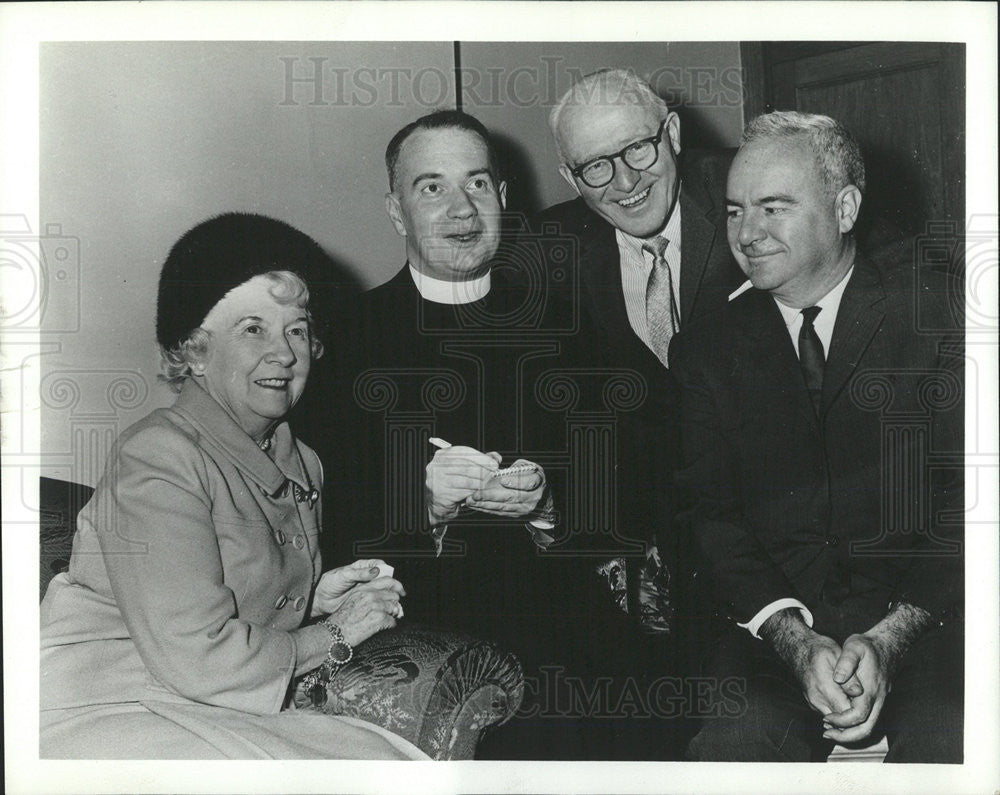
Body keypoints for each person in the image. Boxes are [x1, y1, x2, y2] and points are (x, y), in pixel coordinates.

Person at [300, 110, 665, 760]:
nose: (460, 208)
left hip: (565, 609)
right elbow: (316, 527)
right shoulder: (346, 342)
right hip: (425, 617)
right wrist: (424, 503)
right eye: (431, 187)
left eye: (476, 184)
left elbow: (634, 490)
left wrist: (549, 504)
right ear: (396, 210)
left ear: (502, 197)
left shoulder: (564, 324)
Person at [39, 213, 422, 760]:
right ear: (194, 351)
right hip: (107, 701)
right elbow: (198, 655)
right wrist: (336, 633)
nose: (284, 353)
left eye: (297, 329)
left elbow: (213, 593)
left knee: (388, 764)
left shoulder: (301, 460)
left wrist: (311, 599)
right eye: (252, 329)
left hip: (194, 700)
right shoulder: (156, 457)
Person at [672, 111, 964, 762]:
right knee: (729, 747)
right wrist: (794, 641)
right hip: (775, 637)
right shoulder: (704, 349)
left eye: (773, 208)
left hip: (930, 622)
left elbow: (970, 503)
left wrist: (890, 637)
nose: (747, 233)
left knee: (954, 739)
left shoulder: (943, 315)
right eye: (734, 210)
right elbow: (712, 520)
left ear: (846, 206)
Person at [535, 67, 747, 697]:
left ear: (673, 133)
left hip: (777, 521)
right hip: (652, 547)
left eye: (638, 148)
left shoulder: (748, 187)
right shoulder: (552, 246)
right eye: (596, 167)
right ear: (573, 179)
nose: (625, 181)